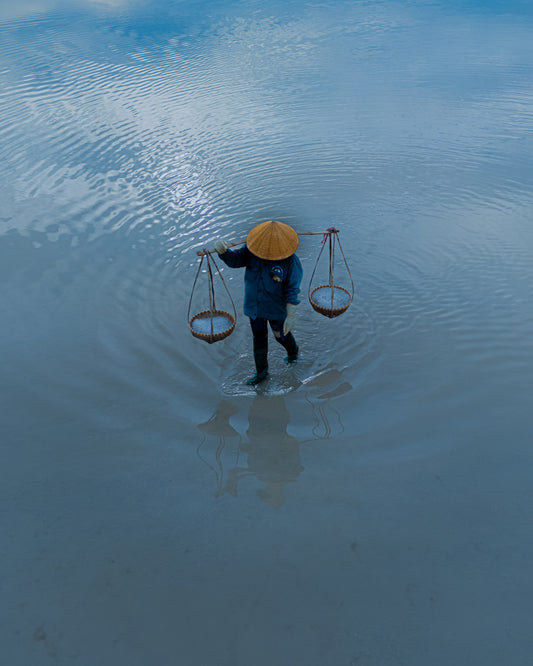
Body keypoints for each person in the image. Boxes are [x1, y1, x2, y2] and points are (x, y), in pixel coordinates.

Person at [214, 220, 303, 386]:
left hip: (276, 308)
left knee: (280, 335)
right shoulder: (251, 251)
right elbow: (235, 261)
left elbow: (292, 289)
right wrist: (224, 252)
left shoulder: (291, 262)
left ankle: (293, 352)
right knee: (259, 339)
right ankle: (261, 373)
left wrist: (291, 314)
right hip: (254, 307)